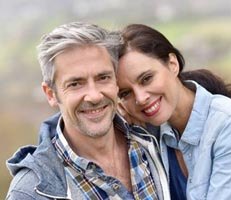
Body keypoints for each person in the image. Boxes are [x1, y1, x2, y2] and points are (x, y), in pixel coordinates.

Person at [6, 22, 170, 200]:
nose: (94, 96)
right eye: (75, 84)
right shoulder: (29, 193)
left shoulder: (154, 137)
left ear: (116, 81)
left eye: (103, 78)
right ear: (51, 94)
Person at [116, 24, 231, 200]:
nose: (140, 98)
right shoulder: (151, 135)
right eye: (126, 93)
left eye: (146, 79)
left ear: (173, 64)